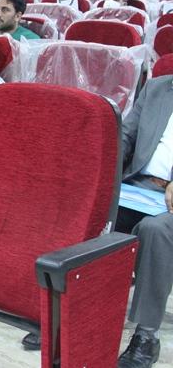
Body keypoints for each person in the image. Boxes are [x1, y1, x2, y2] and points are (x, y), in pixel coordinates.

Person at [112, 77, 173, 368]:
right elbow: (124, 137)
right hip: (137, 187)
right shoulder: (158, 88)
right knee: (88, 209)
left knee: (155, 230)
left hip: (168, 205)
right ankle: (59, 315)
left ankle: (146, 336)